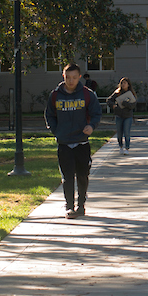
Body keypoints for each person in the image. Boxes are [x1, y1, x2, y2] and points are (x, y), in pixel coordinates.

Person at [45, 63, 101, 218]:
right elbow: (49, 115)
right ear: (63, 77)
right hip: (64, 143)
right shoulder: (55, 95)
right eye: (68, 77)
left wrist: (91, 126)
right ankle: (69, 206)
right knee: (67, 177)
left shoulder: (87, 94)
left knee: (82, 175)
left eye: (74, 77)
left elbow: (96, 113)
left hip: (81, 142)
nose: (71, 81)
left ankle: (81, 204)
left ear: (79, 77)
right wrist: (56, 131)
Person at [106, 77, 137, 154]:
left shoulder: (131, 93)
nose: (123, 85)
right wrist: (113, 106)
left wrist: (125, 103)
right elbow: (108, 100)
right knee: (119, 133)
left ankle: (127, 148)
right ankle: (120, 146)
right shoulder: (117, 92)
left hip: (128, 116)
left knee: (126, 133)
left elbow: (133, 105)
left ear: (128, 84)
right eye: (122, 83)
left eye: (125, 83)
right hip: (119, 115)